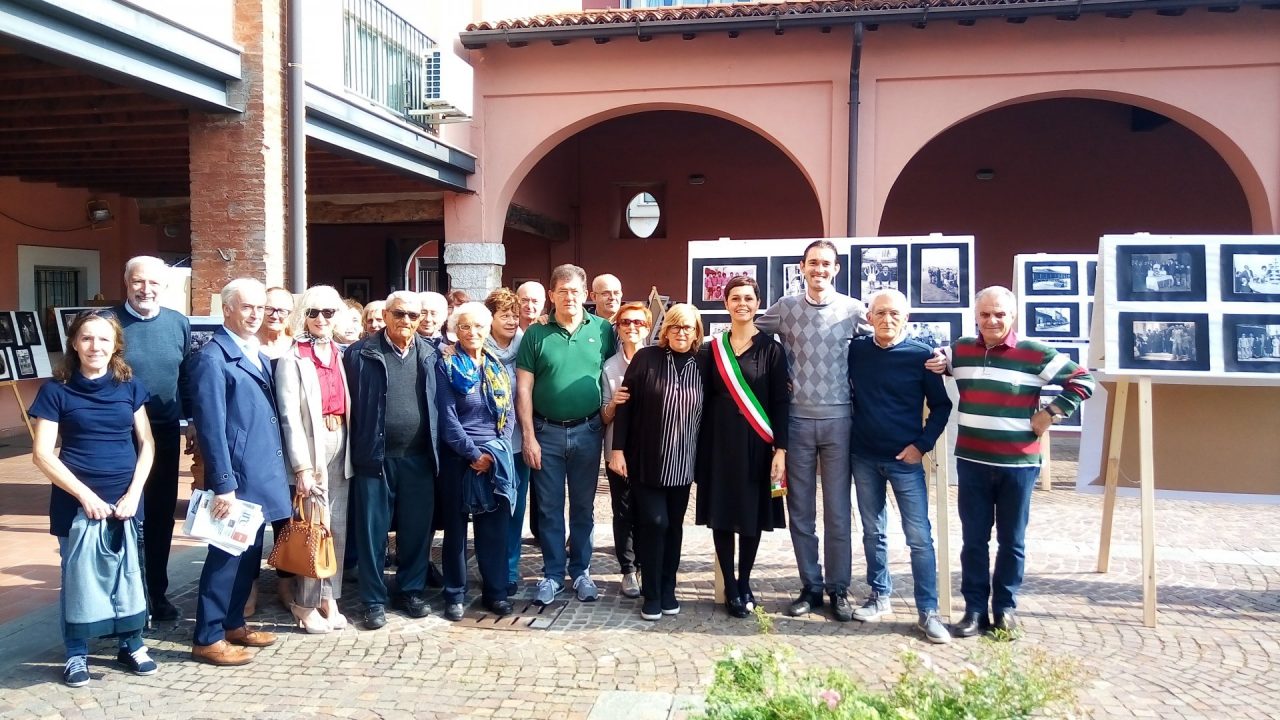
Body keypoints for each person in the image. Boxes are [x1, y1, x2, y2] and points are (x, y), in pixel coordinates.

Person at [946, 286, 1094, 639]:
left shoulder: (1034, 353)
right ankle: (975, 609)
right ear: (975, 317)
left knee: (1012, 540)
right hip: (972, 461)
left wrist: (1051, 413)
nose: (992, 320)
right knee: (973, 540)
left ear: (1012, 317)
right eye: (985, 314)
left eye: (999, 314)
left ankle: (1006, 608)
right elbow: (941, 363)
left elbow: (1083, 380)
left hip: (1018, 464)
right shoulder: (961, 350)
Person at [30, 310, 157, 686]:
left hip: (126, 499)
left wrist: (134, 493)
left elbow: (146, 443)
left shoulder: (130, 386)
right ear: (74, 343)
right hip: (75, 499)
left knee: (129, 573)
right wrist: (85, 495)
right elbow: (42, 453)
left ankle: (131, 643)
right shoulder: (56, 391)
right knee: (79, 578)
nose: (95, 346)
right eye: (86, 338)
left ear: (115, 344)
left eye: (103, 339)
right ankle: (76, 653)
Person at [754, 239, 868, 621]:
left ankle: (839, 588)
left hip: (840, 421)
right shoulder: (785, 309)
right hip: (796, 422)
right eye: (813, 263)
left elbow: (886, 341)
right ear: (801, 267)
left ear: (836, 269)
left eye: (826, 264)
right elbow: (747, 333)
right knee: (800, 509)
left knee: (838, 510)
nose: (819, 270)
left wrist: (937, 358)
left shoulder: (853, 311)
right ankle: (811, 586)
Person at [187, 278, 292, 666]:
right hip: (236, 479)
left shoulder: (255, 353)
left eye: (260, 307)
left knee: (248, 556)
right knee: (225, 557)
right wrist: (224, 486)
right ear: (226, 309)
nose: (255, 315)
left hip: (260, 472)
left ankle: (233, 623)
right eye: (246, 307)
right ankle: (207, 636)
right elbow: (212, 428)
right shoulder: (213, 359)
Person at [847, 290, 953, 644]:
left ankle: (928, 610)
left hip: (905, 461)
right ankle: (879, 596)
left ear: (905, 318)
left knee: (919, 538)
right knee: (872, 532)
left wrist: (921, 446)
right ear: (869, 317)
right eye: (880, 313)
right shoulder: (858, 350)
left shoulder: (922, 357)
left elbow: (941, 407)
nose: (887, 320)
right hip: (863, 456)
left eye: (894, 314)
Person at [516, 264, 615, 605]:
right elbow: (524, 388)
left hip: (589, 430)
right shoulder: (536, 333)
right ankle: (553, 574)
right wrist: (528, 436)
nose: (569, 297)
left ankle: (581, 570)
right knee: (548, 507)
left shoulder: (602, 330)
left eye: (575, 291)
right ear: (551, 294)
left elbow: (619, 370)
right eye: (562, 291)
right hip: (547, 433)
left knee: (584, 507)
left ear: (586, 295)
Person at [344, 292, 441, 630]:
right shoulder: (360, 354)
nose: (407, 321)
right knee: (372, 534)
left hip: (418, 458)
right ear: (385, 315)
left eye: (413, 316)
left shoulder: (431, 354)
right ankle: (373, 599)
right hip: (375, 456)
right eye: (399, 314)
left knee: (416, 531)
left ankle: (411, 590)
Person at [695, 276, 788, 619]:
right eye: (735, 298)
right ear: (726, 304)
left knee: (750, 516)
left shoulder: (772, 350)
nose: (742, 304)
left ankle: (745, 581)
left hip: (757, 447)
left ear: (757, 303)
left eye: (748, 298)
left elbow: (781, 403)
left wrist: (781, 450)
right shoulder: (711, 349)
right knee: (721, 515)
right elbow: (699, 397)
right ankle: (730, 585)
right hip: (717, 447)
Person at [609, 303, 705, 621]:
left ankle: (668, 588)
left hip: (683, 463)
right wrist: (618, 450)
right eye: (675, 326)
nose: (681, 332)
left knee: (674, 527)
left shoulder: (703, 363)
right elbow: (624, 405)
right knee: (654, 523)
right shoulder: (646, 358)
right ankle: (651, 592)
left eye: (687, 327)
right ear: (665, 331)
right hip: (646, 461)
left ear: (696, 333)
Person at [114, 256, 190, 622]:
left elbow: (186, 378)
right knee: (123, 514)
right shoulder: (107, 324)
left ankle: (156, 594)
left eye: (154, 283)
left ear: (165, 286)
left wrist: (191, 422)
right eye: (139, 282)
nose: (146, 290)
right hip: (117, 435)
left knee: (160, 515)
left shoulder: (178, 323)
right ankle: (122, 599)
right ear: (126, 282)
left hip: (163, 431)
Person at [275, 285, 353, 634]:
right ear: (303, 314)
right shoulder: (293, 358)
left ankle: (328, 596)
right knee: (311, 526)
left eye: (329, 313)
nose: (322, 319)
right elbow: (289, 416)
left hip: (341, 438)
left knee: (335, 525)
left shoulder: (340, 353)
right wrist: (302, 467)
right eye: (314, 312)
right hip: (312, 443)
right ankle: (304, 603)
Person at [436, 302, 518, 621]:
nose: (473, 332)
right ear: (456, 329)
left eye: (479, 326)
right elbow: (447, 417)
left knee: (494, 529)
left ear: (488, 329)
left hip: (494, 457)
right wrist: (473, 454)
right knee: (456, 532)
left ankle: (496, 592)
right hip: (459, 458)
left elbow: (508, 411)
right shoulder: (445, 364)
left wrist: (495, 450)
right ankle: (454, 594)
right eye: (466, 326)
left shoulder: (495, 364)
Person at [600, 301, 651, 600]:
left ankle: (646, 563)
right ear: (617, 328)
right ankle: (628, 569)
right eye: (625, 323)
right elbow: (603, 417)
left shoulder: (657, 359)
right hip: (617, 449)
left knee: (648, 509)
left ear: (647, 327)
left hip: (650, 450)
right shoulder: (609, 366)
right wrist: (614, 404)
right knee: (623, 511)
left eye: (638, 323)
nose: (632, 328)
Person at [483, 288, 529, 597]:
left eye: (515, 314)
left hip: (516, 444)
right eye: (505, 315)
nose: (512, 320)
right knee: (488, 512)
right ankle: (490, 571)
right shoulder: (475, 348)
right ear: (490, 319)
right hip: (485, 447)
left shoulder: (525, 346)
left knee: (514, 511)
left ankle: (509, 570)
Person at [259, 286, 295, 360]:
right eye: (269, 309)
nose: (274, 316)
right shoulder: (246, 345)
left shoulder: (298, 347)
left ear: (290, 314)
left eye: (282, 311)